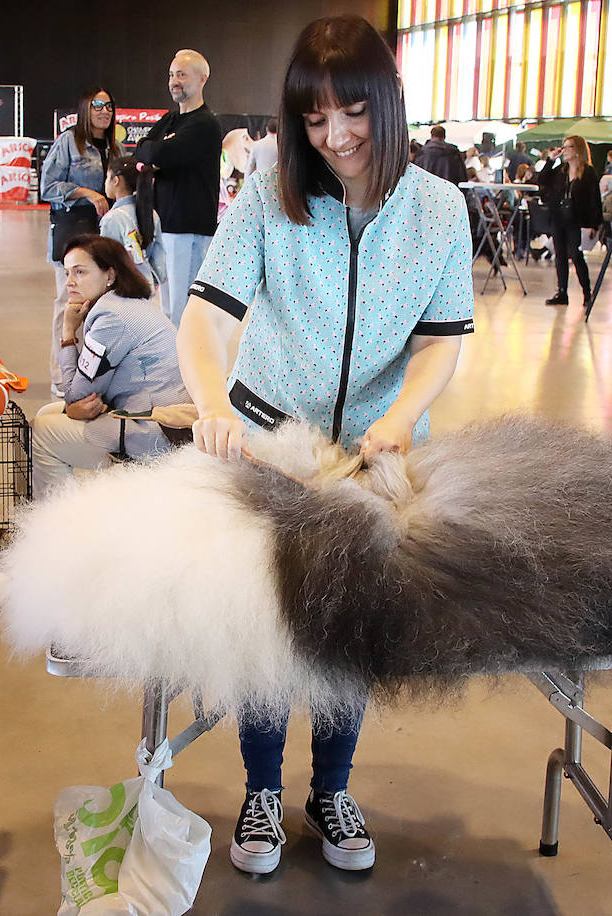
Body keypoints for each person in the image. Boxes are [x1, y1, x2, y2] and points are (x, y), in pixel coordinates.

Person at [176, 14, 473, 876]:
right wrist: (209, 401)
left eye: (353, 114)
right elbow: (206, 315)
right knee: (271, 620)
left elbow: (441, 341)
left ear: (388, 102)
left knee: (350, 622)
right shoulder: (269, 199)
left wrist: (400, 417)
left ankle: (331, 788)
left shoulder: (438, 211)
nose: (335, 138)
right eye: (314, 120)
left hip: (379, 458)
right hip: (271, 446)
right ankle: (261, 790)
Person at [32, 235, 187, 496]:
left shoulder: (111, 318)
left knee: (42, 433)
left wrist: (68, 333)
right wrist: (74, 408)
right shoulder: (130, 303)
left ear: (110, 275)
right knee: (49, 412)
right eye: (68, 272)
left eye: (80, 272)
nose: (70, 281)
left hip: (154, 435)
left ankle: (56, 523)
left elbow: (76, 395)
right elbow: (82, 395)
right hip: (167, 425)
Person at [42, 86, 121, 398]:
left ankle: (90, 374)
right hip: (72, 235)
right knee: (68, 304)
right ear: (85, 109)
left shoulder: (113, 147)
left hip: (104, 240)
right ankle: (61, 373)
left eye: (109, 106)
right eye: (97, 105)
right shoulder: (69, 142)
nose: (104, 111)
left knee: (98, 308)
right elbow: (48, 186)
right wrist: (87, 194)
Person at [136, 50, 221, 328]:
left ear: (202, 79)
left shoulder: (205, 124)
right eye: (172, 75)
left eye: (182, 74)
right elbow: (143, 149)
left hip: (189, 230)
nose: (174, 81)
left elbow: (158, 153)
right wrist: (155, 155)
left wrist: (157, 155)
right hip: (166, 226)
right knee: (169, 307)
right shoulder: (170, 120)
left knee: (185, 313)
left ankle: (183, 370)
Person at [540, 135, 601, 308]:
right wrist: (550, 160)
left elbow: (594, 199)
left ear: (577, 150)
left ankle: (587, 292)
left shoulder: (588, 172)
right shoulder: (561, 171)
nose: (564, 150)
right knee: (560, 255)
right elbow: (542, 180)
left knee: (576, 255)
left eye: (568, 147)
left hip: (577, 220)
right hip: (559, 218)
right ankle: (562, 292)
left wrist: (593, 224)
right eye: (563, 146)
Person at [99, 156, 166, 300]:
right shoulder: (151, 214)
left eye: (107, 178)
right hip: (145, 288)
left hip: (120, 292)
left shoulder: (112, 219)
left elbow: (105, 261)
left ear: (116, 181)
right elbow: (159, 257)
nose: (105, 183)